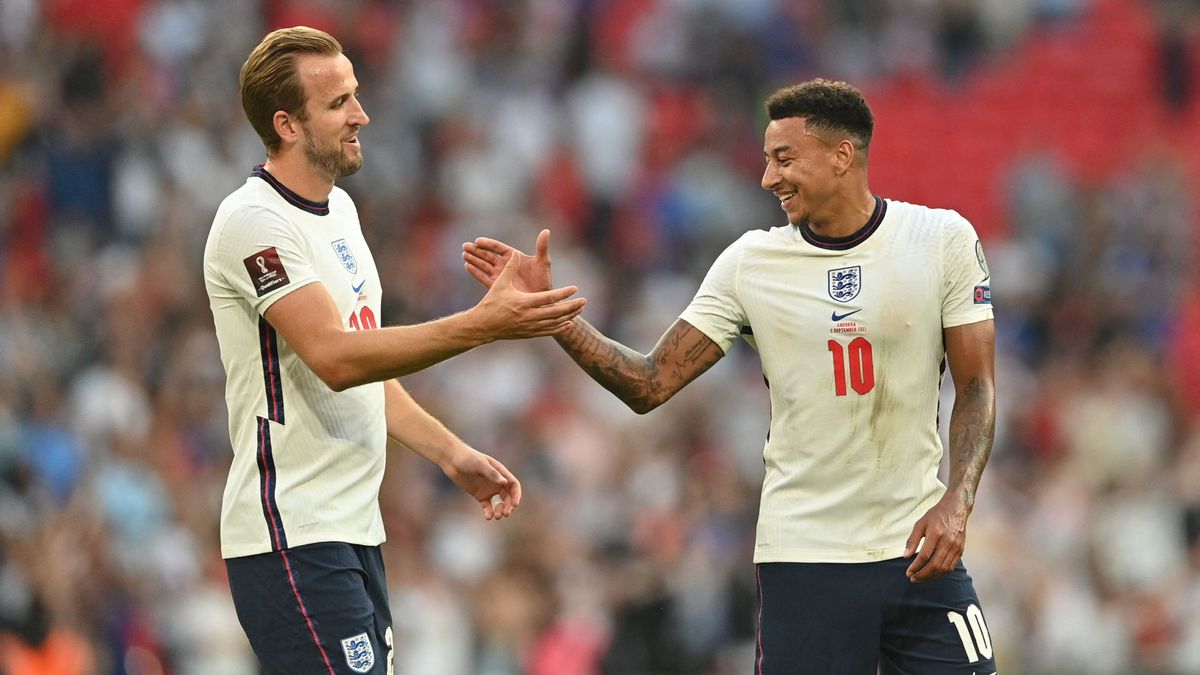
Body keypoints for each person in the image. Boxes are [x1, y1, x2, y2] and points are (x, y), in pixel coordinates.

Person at [464, 78, 998, 674]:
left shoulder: (942, 240)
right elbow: (648, 383)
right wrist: (554, 317)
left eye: (784, 158)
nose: (768, 178)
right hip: (805, 557)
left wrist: (959, 499)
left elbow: (976, 385)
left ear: (842, 156)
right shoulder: (750, 264)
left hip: (918, 549)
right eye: (768, 160)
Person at [202, 26, 586, 675]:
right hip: (290, 531)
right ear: (286, 125)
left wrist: (451, 453)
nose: (362, 114)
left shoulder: (341, 213)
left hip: (353, 531)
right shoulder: (253, 222)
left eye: (355, 94)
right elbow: (336, 357)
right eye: (339, 104)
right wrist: (482, 324)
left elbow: (363, 367)